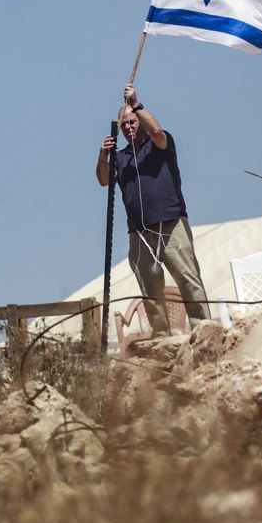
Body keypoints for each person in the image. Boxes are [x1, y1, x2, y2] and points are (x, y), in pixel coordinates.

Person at [96, 83, 210, 335]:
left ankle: (204, 331)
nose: (128, 126)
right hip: (139, 233)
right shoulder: (122, 157)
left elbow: (156, 130)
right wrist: (103, 156)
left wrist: (136, 104)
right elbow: (104, 180)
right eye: (124, 123)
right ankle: (161, 339)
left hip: (170, 224)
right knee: (150, 290)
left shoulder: (160, 144)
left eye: (133, 121)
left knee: (188, 279)